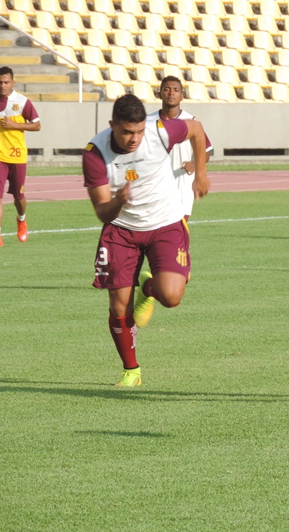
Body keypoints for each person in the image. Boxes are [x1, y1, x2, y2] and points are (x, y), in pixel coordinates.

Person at [83, 94, 210, 387]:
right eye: (127, 131)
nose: (134, 139)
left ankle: (149, 288)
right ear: (112, 124)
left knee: (172, 297)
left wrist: (200, 173)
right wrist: (119, 201)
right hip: (120, 230)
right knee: (118, 307)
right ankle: (131, 371)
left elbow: (195, 129)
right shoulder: (95, 153)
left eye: (139, 131)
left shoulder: (159, 131)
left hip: (165, 223)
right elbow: (102, 212)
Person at [0, 66, 41, 247]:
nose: (2, 85)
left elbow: (37, 125)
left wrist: (14, 125)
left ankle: (21, 219)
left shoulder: (23, 102)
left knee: (19, 196)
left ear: (13, 82)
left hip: (17, 156)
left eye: (6, 82)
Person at [147, 76, 213, 221]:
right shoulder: (148, 121)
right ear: (159, 94)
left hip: (181, 186)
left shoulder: (192, 122)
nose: (171, 93)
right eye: (167, 89)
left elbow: (207, 151)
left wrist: (195, 164)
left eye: (176, 90)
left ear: (182, 96)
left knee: (177, 235)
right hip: (154, 186)